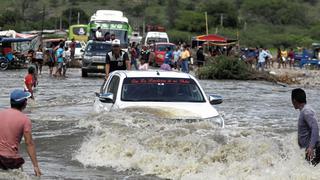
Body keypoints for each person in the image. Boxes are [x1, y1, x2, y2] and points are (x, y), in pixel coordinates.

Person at [0, 89, 41, 176]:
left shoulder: (1, 114)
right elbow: (29, 143)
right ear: (24, 103)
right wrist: (36, 166)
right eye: (26, 100)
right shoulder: (25, 120)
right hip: (11, 161)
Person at [291, 88, 320, 166]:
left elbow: (315, 128)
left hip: (313, 150)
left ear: (294, 100)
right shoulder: (306, 110)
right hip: (311, 150)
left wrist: (311, 147)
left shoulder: (306, 111)